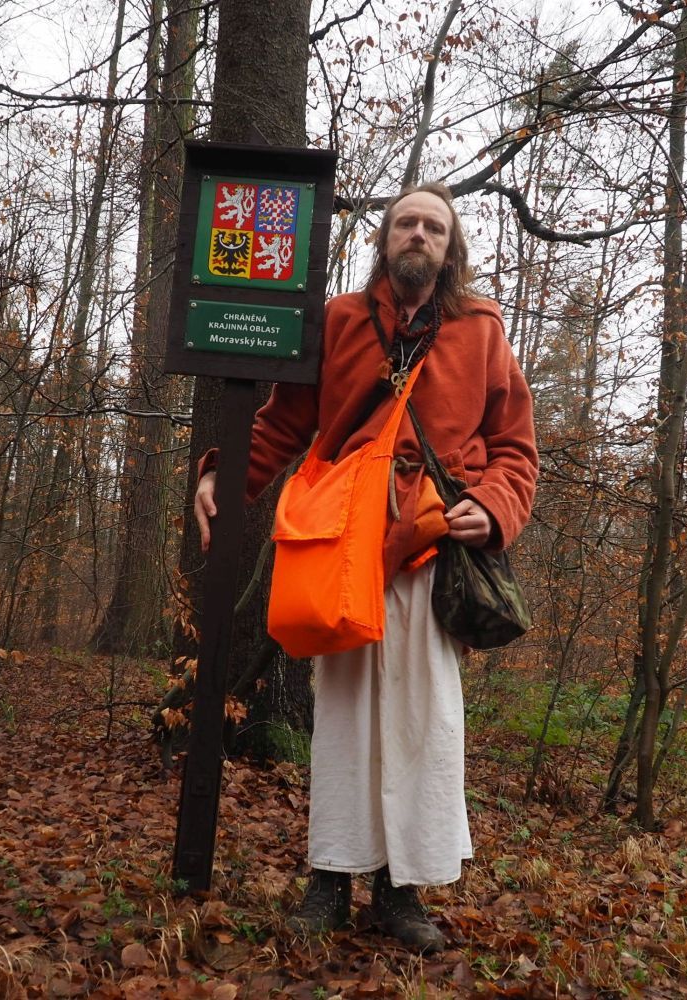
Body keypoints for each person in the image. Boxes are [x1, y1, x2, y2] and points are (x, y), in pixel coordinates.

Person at [193, 182, 538, 953]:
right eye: (407, 223)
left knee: (422, 724)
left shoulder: (482, 330)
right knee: (345, 720)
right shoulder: (342, 322)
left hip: (430, 545)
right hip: (343, 544)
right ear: (385, 239)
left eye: (434, 228)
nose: (419, 236)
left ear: (451, 249)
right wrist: (225, 476)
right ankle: (329, 878)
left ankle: (400, 888)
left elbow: (515, 446)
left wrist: (494, 506)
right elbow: (284, 422)